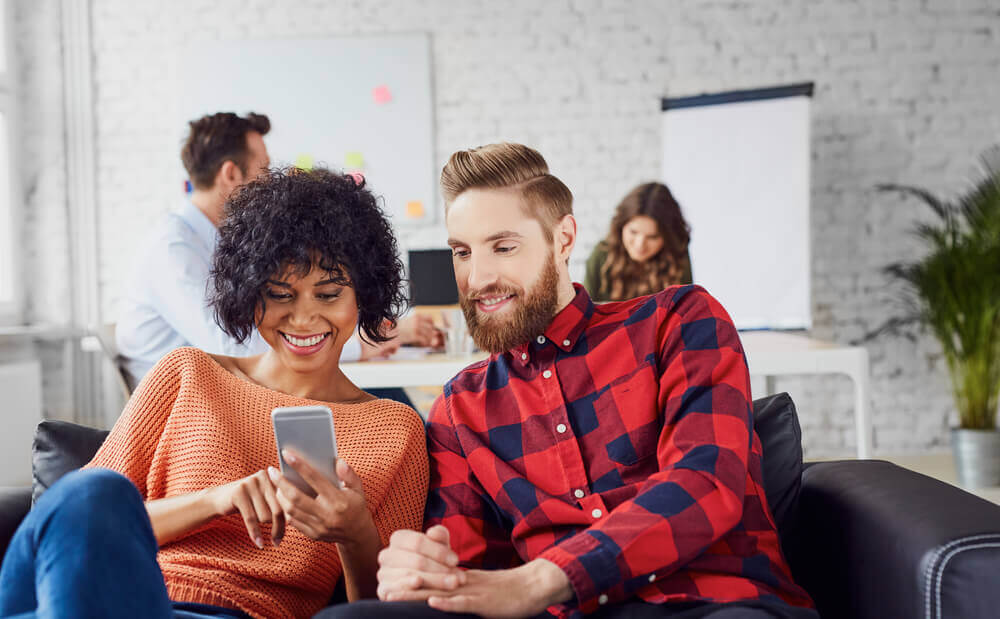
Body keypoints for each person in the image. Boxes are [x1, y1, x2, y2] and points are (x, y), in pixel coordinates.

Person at [325, 143, 817, 618]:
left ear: (563, 239)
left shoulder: (678, 321)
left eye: (503, 246)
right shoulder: (461, 408)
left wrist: (540, 579)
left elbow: (705, 484)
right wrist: (423, 569)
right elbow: (468, 570)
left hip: (712, 602)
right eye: (463, 252)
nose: (478, 278)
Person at [0, 168, 429, 618]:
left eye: (328, 295)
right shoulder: (188, 373)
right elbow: (74, 524)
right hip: (120, 595)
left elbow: (382, 611)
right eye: (280, 294)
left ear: (365, 294)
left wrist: (356, 531)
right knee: (90, 494)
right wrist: (214, 501)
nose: (302, 319)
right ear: (249, 293)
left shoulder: (395, 430)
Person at [116, 112, 440, 386]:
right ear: (230, 174)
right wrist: (361, 344)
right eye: (264, 168)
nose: (270, 181)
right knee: (368, 400)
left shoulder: (212, 239)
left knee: (373, 400)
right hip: (193, 408)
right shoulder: (173, 249)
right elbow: (235, 345)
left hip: (231, 387)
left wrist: (372, 332)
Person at [584, 182, 692, 302]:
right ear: (621, 226)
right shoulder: (602, 254)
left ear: (668, 237)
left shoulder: (676, 257)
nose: (640, 245)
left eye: (652, 237)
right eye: (633, 232)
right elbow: (585, 311)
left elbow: (685, 313)